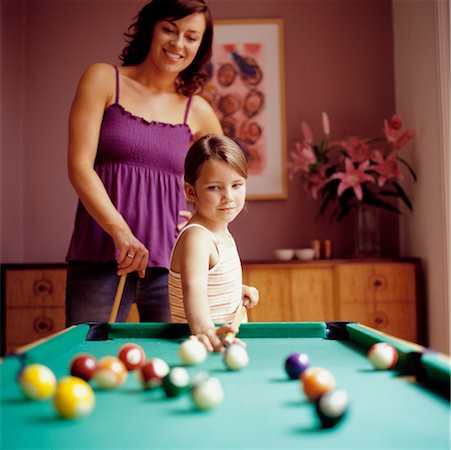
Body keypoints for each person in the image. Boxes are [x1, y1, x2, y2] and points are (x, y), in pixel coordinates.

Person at [65, 0, 223, 326]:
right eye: (169, 29)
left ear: (200, 46)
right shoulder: (103, 80)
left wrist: (203, 228)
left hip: (173, 266)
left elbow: (224, 184)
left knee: (179, 365)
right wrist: (121, 233)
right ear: (150, 28)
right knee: (89, 364)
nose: (178, 44)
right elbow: (80, 167)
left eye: (191, 37)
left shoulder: (199, 111)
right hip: (101, 257)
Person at [168, 135, 259, 352]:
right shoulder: (198, 237)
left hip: (223, 345)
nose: (228, 196)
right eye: (214, 188)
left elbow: (208, 282)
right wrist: (205, 331)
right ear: (191, 191)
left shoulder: (220, 232)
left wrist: (236, 290)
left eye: (237, 185)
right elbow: (194, 288)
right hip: (204, 347)